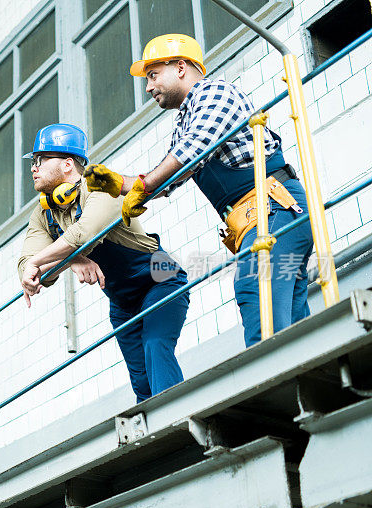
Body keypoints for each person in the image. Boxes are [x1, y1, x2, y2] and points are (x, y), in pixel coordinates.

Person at [86, 34, 314, 347]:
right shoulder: (185, 119)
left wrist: (144, 184)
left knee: (255, 286)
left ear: (181, 67)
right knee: (291, 316)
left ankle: (272, 377)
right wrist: (122, 184)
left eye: (153, 76)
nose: (149, 87)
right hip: (258, 217)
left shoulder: (214, 92)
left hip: (274, 208)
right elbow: (172, 178)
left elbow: (191, 151)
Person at [18, 123, 189, 403]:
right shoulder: (42, 214)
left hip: (162, 279)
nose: (33, 168)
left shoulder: (102, 187)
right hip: (122, 301)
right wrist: (74, 262)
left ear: (67, 164)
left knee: (156, 347)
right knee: (141, 380)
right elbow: (33, 272)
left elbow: (85, 233)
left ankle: (178, 417)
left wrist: (45, 260)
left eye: (40, 160)